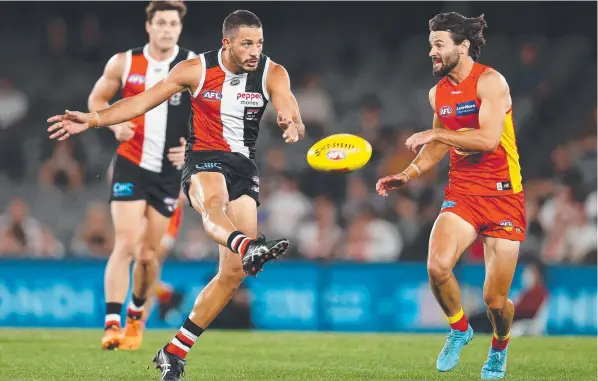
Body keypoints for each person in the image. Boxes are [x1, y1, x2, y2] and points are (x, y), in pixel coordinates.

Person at [48, 9, 304, 381]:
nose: (255, 50)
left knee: (232, 275)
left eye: (259, 42)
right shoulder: (195, 70)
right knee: (213, 207)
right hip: (202, 160)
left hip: (243, 167)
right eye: (247, 43)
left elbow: (288, 104)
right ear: (227, 43)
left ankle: (174, 351)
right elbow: (141, 102)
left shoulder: (272, 71)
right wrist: (92, 119)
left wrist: (290, 121)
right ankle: (246, 246)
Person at [376, 13, 525, 380]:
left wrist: (436, 135)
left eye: (439, 44)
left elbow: (488, 139)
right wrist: (406, 174)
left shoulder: (490, 81)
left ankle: (499, 347)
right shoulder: (438, 92)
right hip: (463, 192)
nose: (432, 52)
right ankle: (459, 329)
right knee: (437, 266)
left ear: (463, 46)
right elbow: (437, 147)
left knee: (494, 302)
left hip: (504, 195)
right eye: (431, 45)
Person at [86, 1, 195, 351]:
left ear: (179, 29)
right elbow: (98, 98)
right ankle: (112, 324)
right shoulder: (124, 62)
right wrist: (113, 125)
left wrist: (192, 150)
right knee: (126, 244)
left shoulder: (194, 67)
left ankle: (136, 314)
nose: (166, 29)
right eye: (160, 22)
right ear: (149, 26)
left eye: (172, 24)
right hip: (131, 163)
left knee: (149, 256)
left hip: (169, 173)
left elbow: (213, 117)